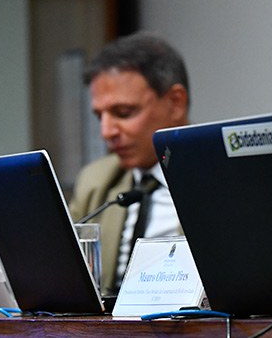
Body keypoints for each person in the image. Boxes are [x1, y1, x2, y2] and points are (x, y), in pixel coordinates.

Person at [68, 31, 190, 293]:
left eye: (123, 113)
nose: (106, 132)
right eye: (99, 116)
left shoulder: (227, 180)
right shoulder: (96, 181)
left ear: (175, 103)